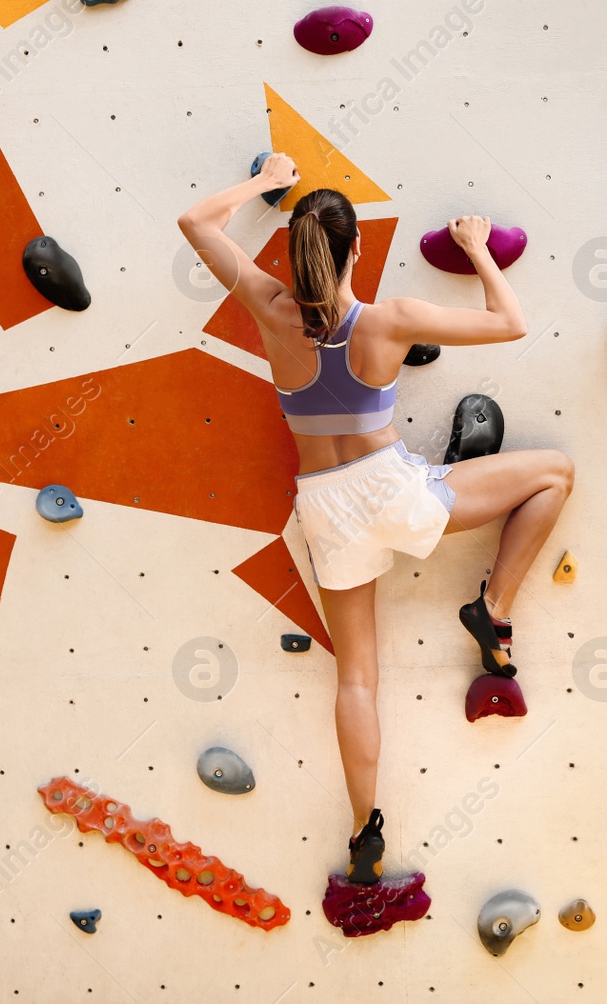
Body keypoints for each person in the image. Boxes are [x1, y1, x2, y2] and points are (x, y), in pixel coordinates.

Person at [177, 154, 573, 885]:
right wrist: (479, 245)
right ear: (358, 248)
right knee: (555, 471)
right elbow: (510, 322)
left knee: (357, 678)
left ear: (294, 251)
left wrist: (265, 182)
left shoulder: (270, 307)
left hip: (325, 506)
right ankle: (493, 608)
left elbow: (195, 221)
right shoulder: (390, 321)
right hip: (395, 490)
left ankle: (365, 826)